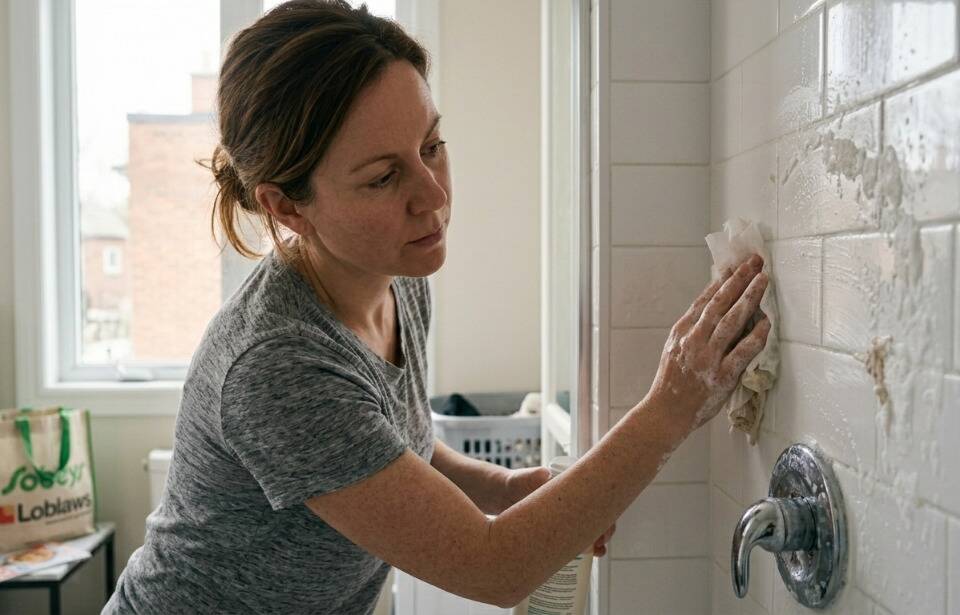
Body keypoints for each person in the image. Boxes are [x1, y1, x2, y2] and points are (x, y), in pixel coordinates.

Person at [103, 1, 770, 613]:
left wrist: (505, 488)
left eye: (430, 147)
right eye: (384, 176)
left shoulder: (396, 269)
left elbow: (394, 445)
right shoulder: (277, 366)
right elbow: (495, 567)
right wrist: (673, 402)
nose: (432, 195)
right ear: (287, 205)